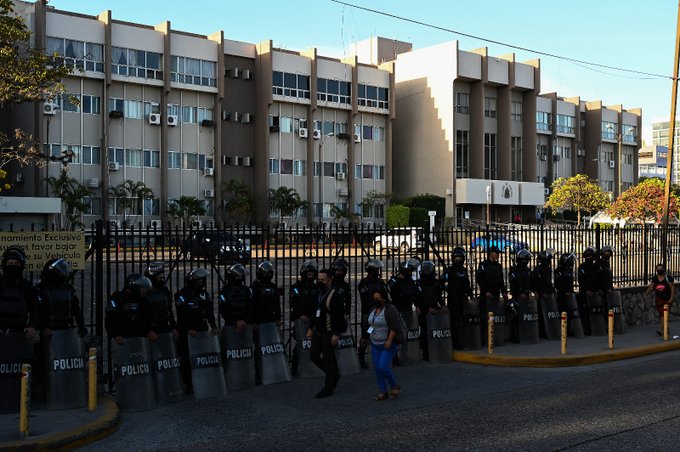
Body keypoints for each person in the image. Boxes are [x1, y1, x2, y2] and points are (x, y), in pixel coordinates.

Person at [174, 268, 218, 393]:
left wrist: (214, 326)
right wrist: (187, 329)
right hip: (186, 330)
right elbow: (181, 314)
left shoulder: (204, 295)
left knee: (202, 356)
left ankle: (204, 379)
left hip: (201, 328)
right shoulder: (182, 295)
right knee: (186, 357)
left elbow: (209, 312)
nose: (201, 283)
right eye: (199, 281)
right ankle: (188, 382)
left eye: (202, 280)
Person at [306, 269, 347, 398]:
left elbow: (339, 316)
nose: (320, 282)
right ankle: (334, 374)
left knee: (328, 359)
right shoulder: (318, 293)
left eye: (323, 280)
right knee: (314, 356)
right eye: (318, 279)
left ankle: (328, 387)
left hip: (329, 332)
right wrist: (310, 328)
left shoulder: (335, 295)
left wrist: (336, 334)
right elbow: (315, 311)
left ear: (329, 280)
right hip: (318, 330)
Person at [367, 287, 402, 401]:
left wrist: (389, 340)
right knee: (377, 369)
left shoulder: (390, 309)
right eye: (374, 298)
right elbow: (370, 324)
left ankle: (394, 386)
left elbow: (395, 326)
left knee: (382, 366)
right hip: (375, 343)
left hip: (387, 343)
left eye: (378, 298)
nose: (375, 300)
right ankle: (383, 391)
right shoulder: (373, 309)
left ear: (384, 298)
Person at [37, 258, 86, 337]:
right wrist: (43, 328)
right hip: (49, 330)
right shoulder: (41, 289)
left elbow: (76, 309)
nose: (64, 274)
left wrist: (81, 326)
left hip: (66, 327)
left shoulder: (68, 288)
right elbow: (36, 311)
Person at [0, 246, 39, 339]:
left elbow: (35, 310)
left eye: (16, 264)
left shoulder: (27, 287)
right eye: (10, 263)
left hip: (21, 334)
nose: (13, 266)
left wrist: (32, 326)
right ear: (5, 264)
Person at [105, 273, 153, 344]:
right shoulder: (116, 299)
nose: (142, 291)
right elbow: (109, 319)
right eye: (140, 288)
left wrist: (149, 331)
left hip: (140, 338)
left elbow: (148, 317)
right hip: (123, 338)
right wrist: (115, 335)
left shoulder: (142, 300)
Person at [289, 260, 317, 375]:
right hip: (301, 319)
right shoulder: (297, 287)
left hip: (313, 318)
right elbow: (293, 303)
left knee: (313, 342)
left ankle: (313, 365)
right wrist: (300, 314)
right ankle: (295, 366)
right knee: (301, 342)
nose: (311, 276)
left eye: (312, 274)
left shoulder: (316, 287)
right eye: (308, 274)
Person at [357, 259, 387, 368]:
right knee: (366, 335)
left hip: (380, 311)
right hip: (368, 312)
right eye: (375, 269)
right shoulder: (364, 282)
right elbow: (365, 297)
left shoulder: (380, 282)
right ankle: (361, 357)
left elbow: (385, 294)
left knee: (383, 332)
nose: (377, 271)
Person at [443, 247, 472, 350]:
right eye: (456, 258)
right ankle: (455, 342)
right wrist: (449, 290)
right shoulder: (449, 270)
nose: (458, 260)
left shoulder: (464, 270)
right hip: (453, 299)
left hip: (462, 298)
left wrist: (471, 295)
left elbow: (467, 284)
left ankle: (463, 340)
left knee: (463, 320)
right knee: (454, 321)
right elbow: (441, 282)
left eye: (460, 258)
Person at [415, 260, 444, 360]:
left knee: (437, 330)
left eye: (429, 269)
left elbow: (439, 297)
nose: (427, 271)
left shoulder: (435, 283)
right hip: (424, 311)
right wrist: (426, 308)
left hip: (435, 309)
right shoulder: (419, 283)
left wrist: (443, 306)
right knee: (424, 332)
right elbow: (417, 299)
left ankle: (437, 349)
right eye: (425, 269)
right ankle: (426, 353)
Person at [145, 261, 178, 341]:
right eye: (159, 277)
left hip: (164, 326)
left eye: (162, 277)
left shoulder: (164, 290)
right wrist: (148, 330)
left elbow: (169, 310)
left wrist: (173, 327)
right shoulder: (145, 292)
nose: (162, 279)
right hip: (151, 328)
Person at [218, 264, 253, 332]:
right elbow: (223, 310)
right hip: (230, 326)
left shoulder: (247, 290)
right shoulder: (223, 292)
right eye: (238, 276)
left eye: (241, 276)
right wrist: (236, 322)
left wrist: (245, 321)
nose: (240, 278)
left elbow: (251, 307)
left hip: (245, 325)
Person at [508, 249, 532, 342]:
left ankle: (526, 334)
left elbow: (530, 282)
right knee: (516, 316)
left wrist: (530, 292)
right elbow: (513, 285)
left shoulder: (527, 270)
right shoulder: (514, 271)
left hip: (526, 296)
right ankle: (515, 336)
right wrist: (520, 293)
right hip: (517, 296)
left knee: (526, 315)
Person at [476, 246, 508, 315]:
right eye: (496, 253)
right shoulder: (483, 265)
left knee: (496, 316)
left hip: (496, 295)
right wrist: (485, 292)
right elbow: (479, 279)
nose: (498, 254)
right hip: (485, 296)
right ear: (491, 253)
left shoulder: (498, 266)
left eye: (498, 253)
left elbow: (501, 281)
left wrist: (504, 292)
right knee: (486, 317)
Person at [644, 263, 675, 336]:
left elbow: (672, 287)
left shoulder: (668, 278)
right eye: (658, 269)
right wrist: (646, 293)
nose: (659, 270)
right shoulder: (655, 278)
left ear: (664, 269)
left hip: (667, 299)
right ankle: (665, 328)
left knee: (664, 314)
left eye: (661, 269)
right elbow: (651, 287)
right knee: (662, 314)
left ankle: (662, 329)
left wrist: (671, 298)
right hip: (659, 300)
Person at [531, 250, 556, 338]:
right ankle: (542, 332)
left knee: (549, 313)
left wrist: (553, 291)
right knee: (541, 314)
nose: (549, 261)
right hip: (541, 296)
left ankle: (549, 330)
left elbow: (548, 282)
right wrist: (540, 293)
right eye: (548, 259)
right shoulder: (537, 270)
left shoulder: (548, 269)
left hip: (548, 295)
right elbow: (534, 283)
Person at [577, 247, 601, 335]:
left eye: (591, 256)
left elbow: (598, 279)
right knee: (585, 311)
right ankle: (586, 329)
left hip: (595, 293)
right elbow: (581, 280)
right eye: (588, 256)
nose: (590, 258)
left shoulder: (595, 266)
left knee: (595, 311)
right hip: (585, 293)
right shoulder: (582, 267)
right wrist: (587, 290)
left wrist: (598, 290)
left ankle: (597, 327)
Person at [251, 261, 281, 326]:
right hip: (259, 320)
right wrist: (253, 321)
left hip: (271, 319)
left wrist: (278, 318)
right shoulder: (255, 287)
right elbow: (251, 305)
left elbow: (277, 304)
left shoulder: (273, 286)